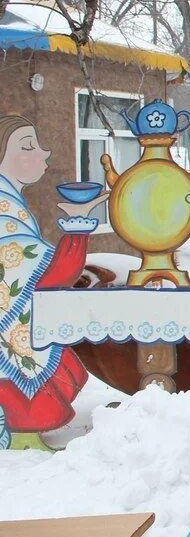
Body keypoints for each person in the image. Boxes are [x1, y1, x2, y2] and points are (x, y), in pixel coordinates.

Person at [0, 115, 107, 450]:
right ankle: (19, 430)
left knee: (72, 374)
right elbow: (45, 273)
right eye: (27, 146)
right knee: (49, 385)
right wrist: (77, 227)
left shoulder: (13, 205)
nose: (44, 153)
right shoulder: (3, 212)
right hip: (12, 325)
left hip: (23, 318)